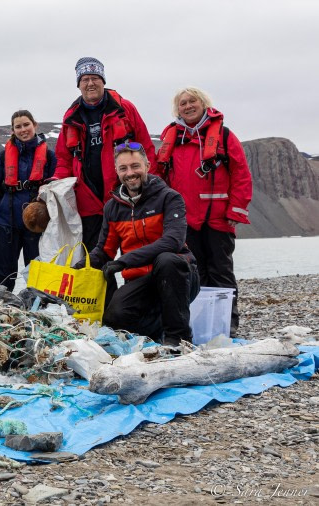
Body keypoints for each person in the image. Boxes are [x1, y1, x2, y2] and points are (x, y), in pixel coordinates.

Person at [154, 87, 252, 336]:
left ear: (204, 103)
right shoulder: (172, 139)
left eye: (192, 101)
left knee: (221, 272)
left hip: (218, 218)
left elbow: (241, 174)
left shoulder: (225, 136)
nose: (188, 106)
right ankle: (198, 325)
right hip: (185, 222)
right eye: (182, 103)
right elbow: (159, 176)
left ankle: (227, 326)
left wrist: (236, 210)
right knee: (193, 275)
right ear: (178, 110)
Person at [84, 143, 200, 345]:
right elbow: (104, 251)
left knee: (166, 260)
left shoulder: (170, 198)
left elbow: (172, 241)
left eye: (135, 166)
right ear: (117, 172)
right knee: (114, 317)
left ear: (147, 165)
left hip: (180, 276)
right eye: (123, 168)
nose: (130, 173)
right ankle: (155, 333)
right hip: (140, 282)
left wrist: (125, 261)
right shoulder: (112, 208)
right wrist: (76, 267)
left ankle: (179, 338)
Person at [54, 57, 155, 252]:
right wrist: (56, 183)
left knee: (135, 253)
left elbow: (147, 148)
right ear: (79, 85)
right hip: (88, 199)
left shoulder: (125, 109)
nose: (90, 83)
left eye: (95, 78)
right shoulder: (71, 117)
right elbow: (63, 158)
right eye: (85, 79)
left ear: (103, 81)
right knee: (93, 257)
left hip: (125, 194)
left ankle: (136, 283)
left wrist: (151, 186)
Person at [0, 110, 56, 291]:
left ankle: (38, 306)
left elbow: (57, 186)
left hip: (37, 223)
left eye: (26, 125)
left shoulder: (49, 156)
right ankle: (2, 306)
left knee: (38, 271)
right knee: (2, 273)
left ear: (34, 125)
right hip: (6, 221)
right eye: (18, 127)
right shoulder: (3, 156)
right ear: (13, 130)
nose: (23, 130)